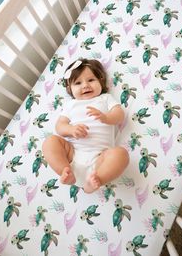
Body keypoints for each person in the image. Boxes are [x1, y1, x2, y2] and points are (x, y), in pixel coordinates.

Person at [42, 58, 129, 193]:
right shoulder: (71, 105)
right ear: (70, 89)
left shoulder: (105, 99)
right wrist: (70, 129)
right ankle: (64, 171)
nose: (85, 86)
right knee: (50, 142)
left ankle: (95, 182)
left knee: (121, 154)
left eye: (91, 80)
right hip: (73, 153)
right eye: (78, 83)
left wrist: (106, 118)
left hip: (100, 159)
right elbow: (60, 126)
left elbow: (119, 115)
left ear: (101, 81)